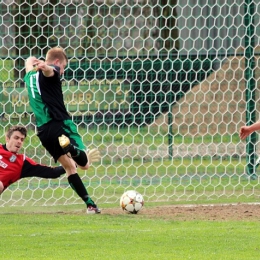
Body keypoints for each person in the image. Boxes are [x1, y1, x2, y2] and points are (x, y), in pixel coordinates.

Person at [23, 47, 101, 214]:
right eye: (64, 66)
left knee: (70, 168)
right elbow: (51, 71)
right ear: (58, 62)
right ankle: (71, 148)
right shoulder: (53, 72)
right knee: (85, 164)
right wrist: (47, 67)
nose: (63, 71)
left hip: (44, 132)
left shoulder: (30, 75)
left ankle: (90, 204)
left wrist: (33, 60)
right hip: (60, 123)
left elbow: (28, 61)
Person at [0, 125, 65, 195]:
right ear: (7, 139)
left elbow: (52, 172)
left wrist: (73, 163)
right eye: (16, 138)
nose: (19, 141)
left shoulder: (23, 162)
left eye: (22, 139)